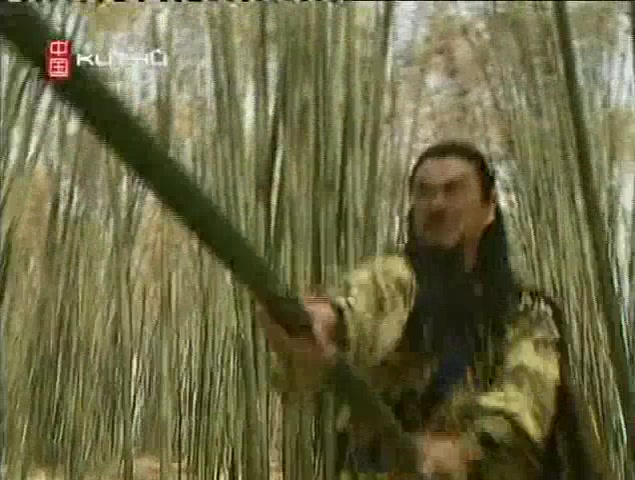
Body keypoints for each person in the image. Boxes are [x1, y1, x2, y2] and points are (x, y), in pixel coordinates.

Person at [262, 141, 585, 479]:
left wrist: (462, 452)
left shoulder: (524, 311)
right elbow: (368, 301)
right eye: (424, 192)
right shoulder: (396, 280)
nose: (437, 204)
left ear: (489, 207)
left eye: (453, 190)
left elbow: (523, 406)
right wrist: (327, 322)